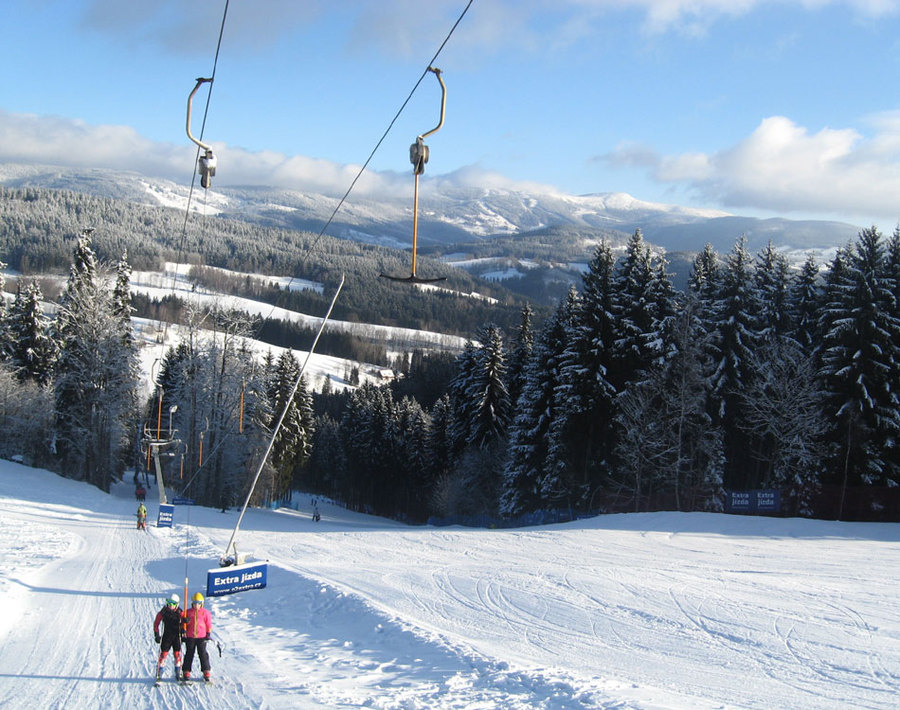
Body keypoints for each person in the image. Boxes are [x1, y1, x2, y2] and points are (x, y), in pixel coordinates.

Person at [182, 592, 213, 682]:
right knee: (189, 653)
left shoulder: (205, 613)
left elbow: (208, 624)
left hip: (201, 636)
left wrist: (208, 633)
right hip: (190, 636)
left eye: (198, 603)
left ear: (201, 604)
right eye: (195, 603)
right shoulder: (188, 612)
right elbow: (182, 622)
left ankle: (206, 670)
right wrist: (184, 623)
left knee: (203, 653)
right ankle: (186, 671)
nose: (196, 605)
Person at [153, 593, 183, 681]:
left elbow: (186, 622)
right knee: (163, 654)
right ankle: (160, 671)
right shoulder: (163, 612)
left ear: (177, 604)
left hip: (176, 636)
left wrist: (185, 625)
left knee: (177, 654)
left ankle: (177, 671)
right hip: (167, 636)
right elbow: (156, 623)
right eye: (169, 603)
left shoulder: (180, 612)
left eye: (173, 603)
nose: (170, 605)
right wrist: (156, 634)